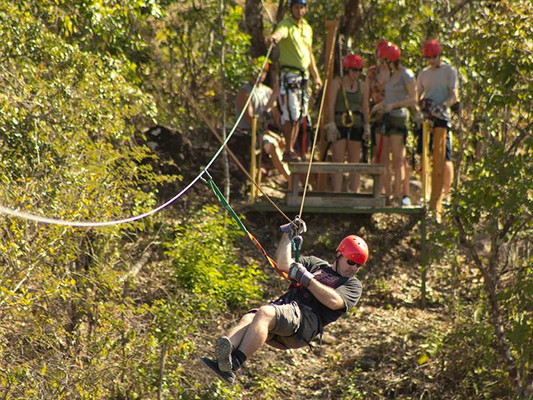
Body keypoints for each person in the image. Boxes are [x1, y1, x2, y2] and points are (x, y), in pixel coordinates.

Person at [200, 218, 368, 385]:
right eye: (351, 262)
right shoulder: (315, 264)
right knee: (250, 317)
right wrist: (288, 235)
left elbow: (334, 301)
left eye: (358, 266)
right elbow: (283, 264)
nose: (353, 268)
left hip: (304, 322)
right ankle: (223, 358)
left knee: (265, 312)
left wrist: (307, 279)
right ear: (339, 254)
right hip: (285, 310)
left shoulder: (353, 285)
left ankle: (234, 363)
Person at [267, 0, 323, 162]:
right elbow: (280, 33)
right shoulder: (286, 24)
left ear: (305, 9)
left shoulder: (307, 28)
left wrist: (316, 76)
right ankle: (289, 149)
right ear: (291, 9)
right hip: (289, 75)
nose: (299, 11)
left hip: (303, 76)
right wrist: (274, 38)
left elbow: (309, 54)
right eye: (296, 8)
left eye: (301, 8)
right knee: (290, 114)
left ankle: (293, 149)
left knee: (300, 115)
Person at [371, 42, 416, 206]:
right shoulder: (386, 74)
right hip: (384, 117)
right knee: (383, 158)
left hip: (398, 118)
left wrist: (394, 105)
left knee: (398, 158)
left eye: (384, 60)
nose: (382, 63)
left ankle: (400, 195)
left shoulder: (406, 74)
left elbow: (413, 99)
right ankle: (387, 194)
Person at [416, 39, 458, 213]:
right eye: (428, 58)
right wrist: (420, 108)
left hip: (442, 118)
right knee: (424, 155)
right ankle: (426, 191)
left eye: (434, 57)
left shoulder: (449, 71)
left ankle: (447, 193)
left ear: (439, 55)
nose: (431, 60)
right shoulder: (423, 74)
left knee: (445, 157)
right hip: (427, 119)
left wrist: (442, 107)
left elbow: (454, 95)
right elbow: (417, 96)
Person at [235, 58, 290, 183]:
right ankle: (291, 180)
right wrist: (268, 107)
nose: (260, 74)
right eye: (257, 71)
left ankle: (294, 179)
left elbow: (277, 118)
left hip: (263, 131)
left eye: (263, 71)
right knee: (272, 144)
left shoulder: (267, 91)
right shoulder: (245, 92)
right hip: (247, 132)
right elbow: (251, 121)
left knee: (284, 144)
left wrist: (282, 134)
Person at [324, 54, 370, 192]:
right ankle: (337, 192)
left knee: (354, 161)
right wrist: (331, 125)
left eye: (359, 70)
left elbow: (365, 107)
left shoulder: (362, 86)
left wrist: (367, 127)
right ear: (347, 69)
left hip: (356, 124)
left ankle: (354, 192)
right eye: (354, 70)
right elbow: (330, 105)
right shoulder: (336, 83)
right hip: (339, 124)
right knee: (337, 160)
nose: (356, 73)